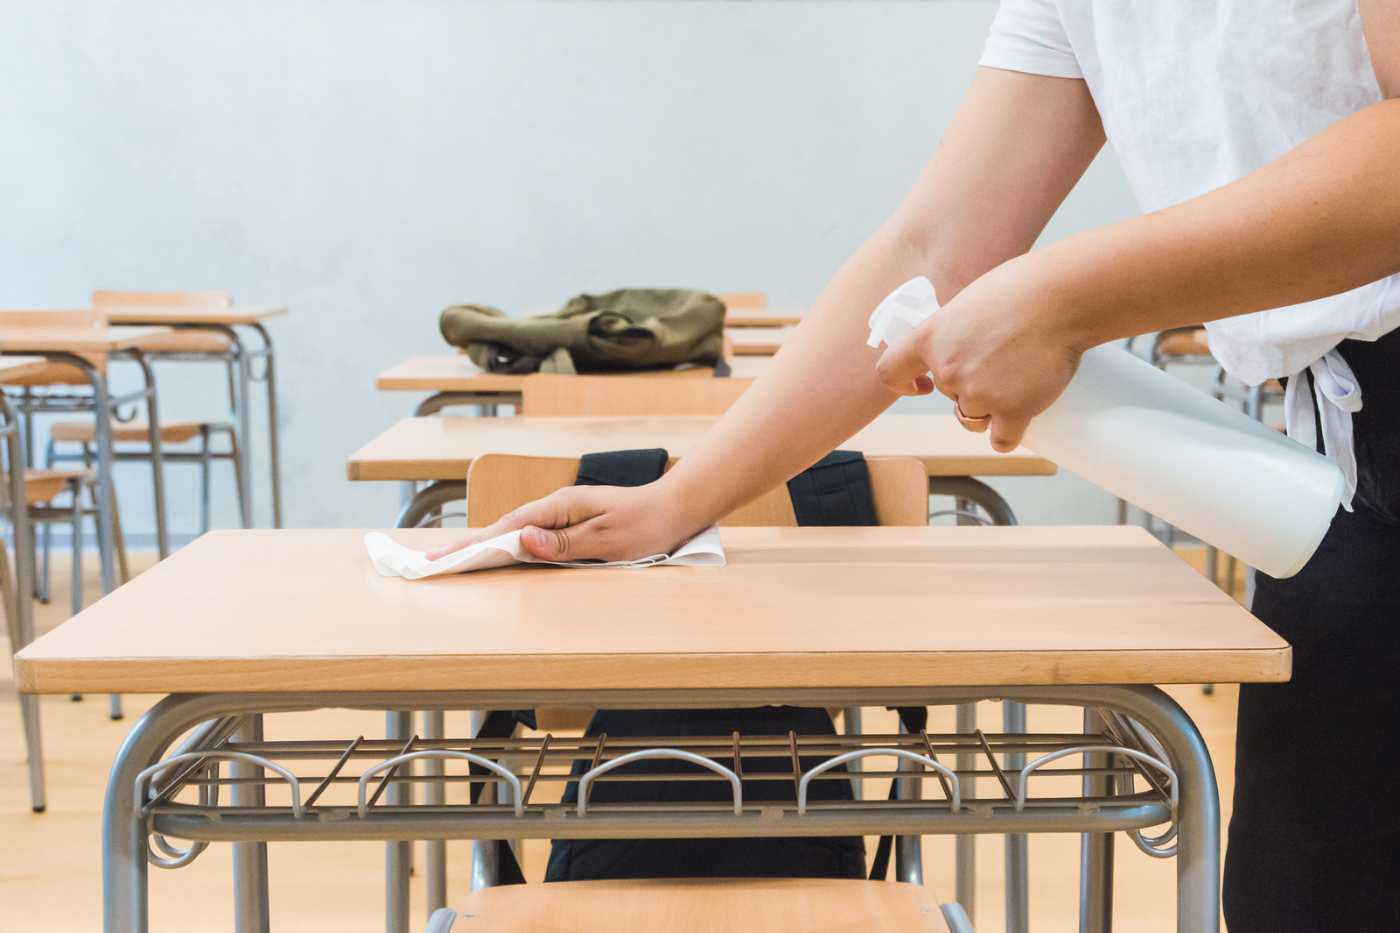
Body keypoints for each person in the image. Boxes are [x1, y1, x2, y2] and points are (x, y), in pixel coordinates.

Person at [434, 2, 1400, 926]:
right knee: (1308, 895)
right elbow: (935, 246)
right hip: (1338, 455)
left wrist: (1067, 297)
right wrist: (677, 499)